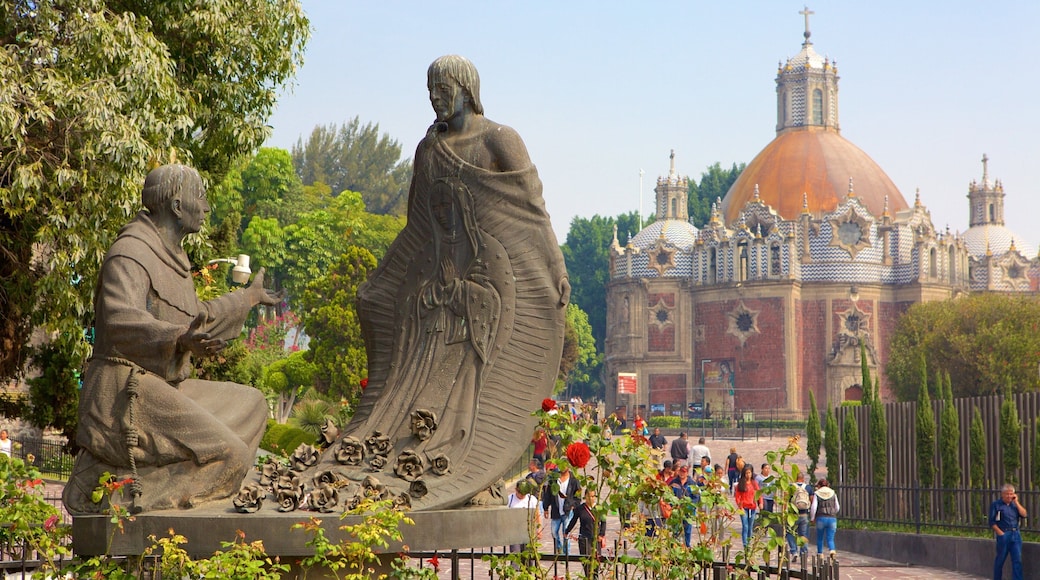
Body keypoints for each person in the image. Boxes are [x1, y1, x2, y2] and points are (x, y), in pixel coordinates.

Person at [321, 54, 568, 510]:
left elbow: (532, 210)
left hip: (477, 287)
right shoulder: (428, 148)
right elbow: (416, 227)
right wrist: (383, 282)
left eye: (443, 90)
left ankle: (462, 461)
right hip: (434, 285)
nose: (435, 99)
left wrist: (556, 268)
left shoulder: (500, 139)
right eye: (429, 91)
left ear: (466, 90)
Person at [63, 164, 283, 514]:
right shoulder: (131, 251)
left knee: (254, 403)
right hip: (123, 393)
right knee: (231, 454)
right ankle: (118, 496)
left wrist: (248, 298)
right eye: (201, 198)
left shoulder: (175, 258)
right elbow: (121, 318)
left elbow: (197, 316)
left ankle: (172, 487)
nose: (207, 208)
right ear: (178, 207)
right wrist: (179, 338)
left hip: (165, 388)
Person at [565, 488, 606, 577]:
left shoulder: (599, 508)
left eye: (593, 496)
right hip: (584, 538)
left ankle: (595, 577)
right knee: (586, 562)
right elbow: (573, 520)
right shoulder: (580, 508)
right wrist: (567, 530)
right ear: (585, 496)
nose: (591, 498)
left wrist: (601, 534)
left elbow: (603, 522)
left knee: (596, 561)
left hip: (596, 538)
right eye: (589, 496)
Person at [990, 483, 1027, 580]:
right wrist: (1000, 533)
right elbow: (992, 521)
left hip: (1015, 534)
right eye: (1007, 494)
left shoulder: (1014, 505)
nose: (1009, 496)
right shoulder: (996, 505)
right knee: (1000, 560)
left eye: (1011, 494)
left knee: (1017, 560)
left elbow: (1024, 514)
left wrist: (1017, 503)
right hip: (1004, 533)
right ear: (1002, 494)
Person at [542, 465, 580, 555]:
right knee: (554, 532)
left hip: (567, 511)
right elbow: (548, 494)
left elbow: (578, 495)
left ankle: (566, 554)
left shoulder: (574, 480)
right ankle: (559, 549)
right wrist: (545, 508)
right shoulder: (554, 479)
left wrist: (573, 505)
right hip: (556, 510)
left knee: (566, 533)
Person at [507, 480, 541, 554]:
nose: (522, 495)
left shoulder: (531, 499)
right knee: (515, 555)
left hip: (529, 532)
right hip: (514, 532)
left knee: (528, 556)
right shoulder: (510, 499)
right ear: (516, 490)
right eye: (520, 493)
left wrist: (539, 529)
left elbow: (537, 514)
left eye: (524, 493)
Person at [785, 471, 814, 558]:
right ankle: (803, 553)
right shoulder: (808, 488)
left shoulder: (791, 487)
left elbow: (785, 500)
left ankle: (794, 551)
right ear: (803, 479)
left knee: (790, 532)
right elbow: (812, 501)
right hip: (804, 514)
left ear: (795, 478)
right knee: (803, 534)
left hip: (792, 515)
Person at [669, 465, 699, 547]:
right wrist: (673, 505)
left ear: (687, 473)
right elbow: (668, 496)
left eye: (684, 472)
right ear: (678, 472)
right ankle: (675, 546)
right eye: (681, 471)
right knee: (675, 528)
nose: (682, 473)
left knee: (687, 529)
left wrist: (689, 506)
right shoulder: (673, 482)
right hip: (676, 510)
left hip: (688, 511)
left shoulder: (692, 483)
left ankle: (687, 546)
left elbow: (696, 497)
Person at [734, 464, 761, 550]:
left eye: (749, 473)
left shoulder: (754, 483)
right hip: (743, 507)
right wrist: (739, 505)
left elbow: (758, 494)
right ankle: (745, 544)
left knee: (750, 526)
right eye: (746, 473)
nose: (748, 475)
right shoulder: (741, 484)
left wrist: (760, 503)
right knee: (745, 526)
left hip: (752, 507)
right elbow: (737, 496)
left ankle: (749, 542)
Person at [810, 478, 840, 556]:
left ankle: (820, 553)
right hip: (832, 518)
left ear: (819, 486)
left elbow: (814, 507)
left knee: (820, 537)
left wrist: (812, 518)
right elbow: (837, 507)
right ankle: (832, 550)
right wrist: (833, 513)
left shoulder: (817, 493)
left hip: (821, 518)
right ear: (828, 485)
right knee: (830, 538)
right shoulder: (833, 493)